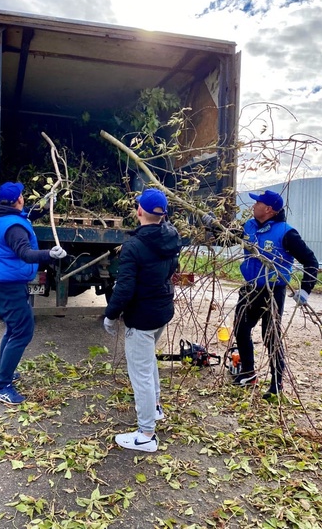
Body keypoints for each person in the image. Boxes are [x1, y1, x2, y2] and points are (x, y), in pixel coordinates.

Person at [203, 190, 318, 399]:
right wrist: (213, 224)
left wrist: (305, 289)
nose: (253, 205)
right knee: (240, 327)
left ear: (269, 209)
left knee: (270, 335)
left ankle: (276, 383)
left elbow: (311, 261)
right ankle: (248, 372)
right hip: (250, 287)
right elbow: (228, 238)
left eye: (258, 203)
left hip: (273, 290)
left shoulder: (286, 233)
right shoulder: (250, 226)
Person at [104, 188, 181, 452]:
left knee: (141, 375)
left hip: (142, 317)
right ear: (164, 214)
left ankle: (146, 434)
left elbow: (124, 288)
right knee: (148, 363)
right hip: (161, 312)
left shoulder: (133, 246)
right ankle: (156, 408)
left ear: (138, 211)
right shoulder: (172, 237)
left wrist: (111, 315)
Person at [0, 181, 67, 405]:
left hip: (4, 282)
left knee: (13, 328)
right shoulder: (14, 229)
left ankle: (5, 370)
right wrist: (50, 254)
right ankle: (1, 386)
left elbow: (28, 212)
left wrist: (48, 201)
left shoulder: (0, 215)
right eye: (22, 195)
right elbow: (25, 254)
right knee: (23, 332)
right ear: (17, 200)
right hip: (9, 286)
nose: (24, 198)